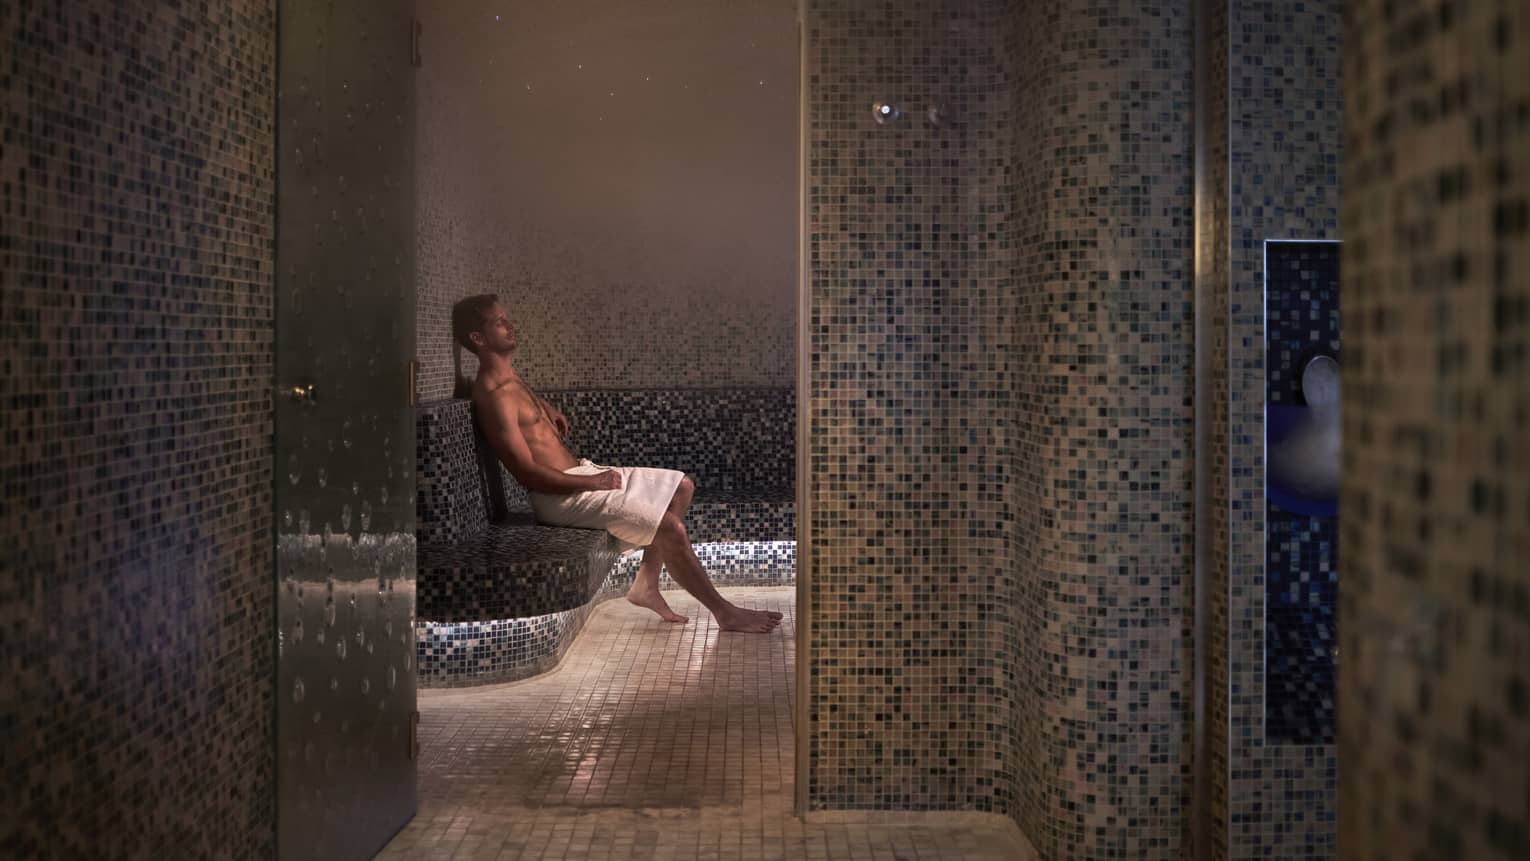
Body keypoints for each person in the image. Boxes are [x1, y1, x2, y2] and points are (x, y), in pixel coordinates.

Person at [451, 293, 782, 634]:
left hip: (581, 472)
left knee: (682, 486)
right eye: (499, 322)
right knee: (670, 528)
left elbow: (523, 413)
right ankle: (724, 612)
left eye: (507, 318)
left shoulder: (509, 377)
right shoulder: (493, 394)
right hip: (560, 498)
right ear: (478, 338)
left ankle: (646, 585)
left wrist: (545, 410)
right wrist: (591, 483)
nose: (510, 325)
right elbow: (527, 474)